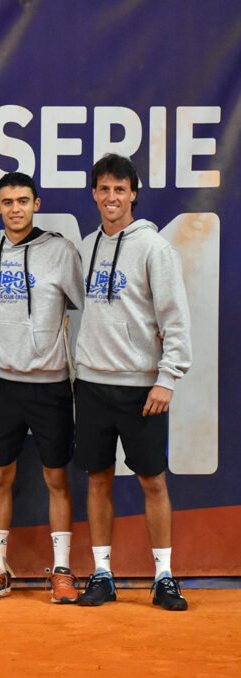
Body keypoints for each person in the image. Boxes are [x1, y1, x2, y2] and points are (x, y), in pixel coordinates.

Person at [73, 154, 191, 610]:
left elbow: (174, 319)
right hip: (93, 383)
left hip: (143, 388)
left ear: (133, 193)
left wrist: (167, 378)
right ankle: (102, 573)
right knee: (98, 479)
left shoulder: (154, 248)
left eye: (119, 189)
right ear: (94, 194)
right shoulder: (86, 247)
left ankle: (164, 576)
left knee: (152, 480)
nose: (111, 198)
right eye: (103, 189)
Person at [0, 172, 84, 603]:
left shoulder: (60, 252)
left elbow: (86, 306)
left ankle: (63, 570)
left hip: (50, 383)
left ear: (36, 203)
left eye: (23, 200)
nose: (15, 208)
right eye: (7, 201)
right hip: (1, 382)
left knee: (56, 476)